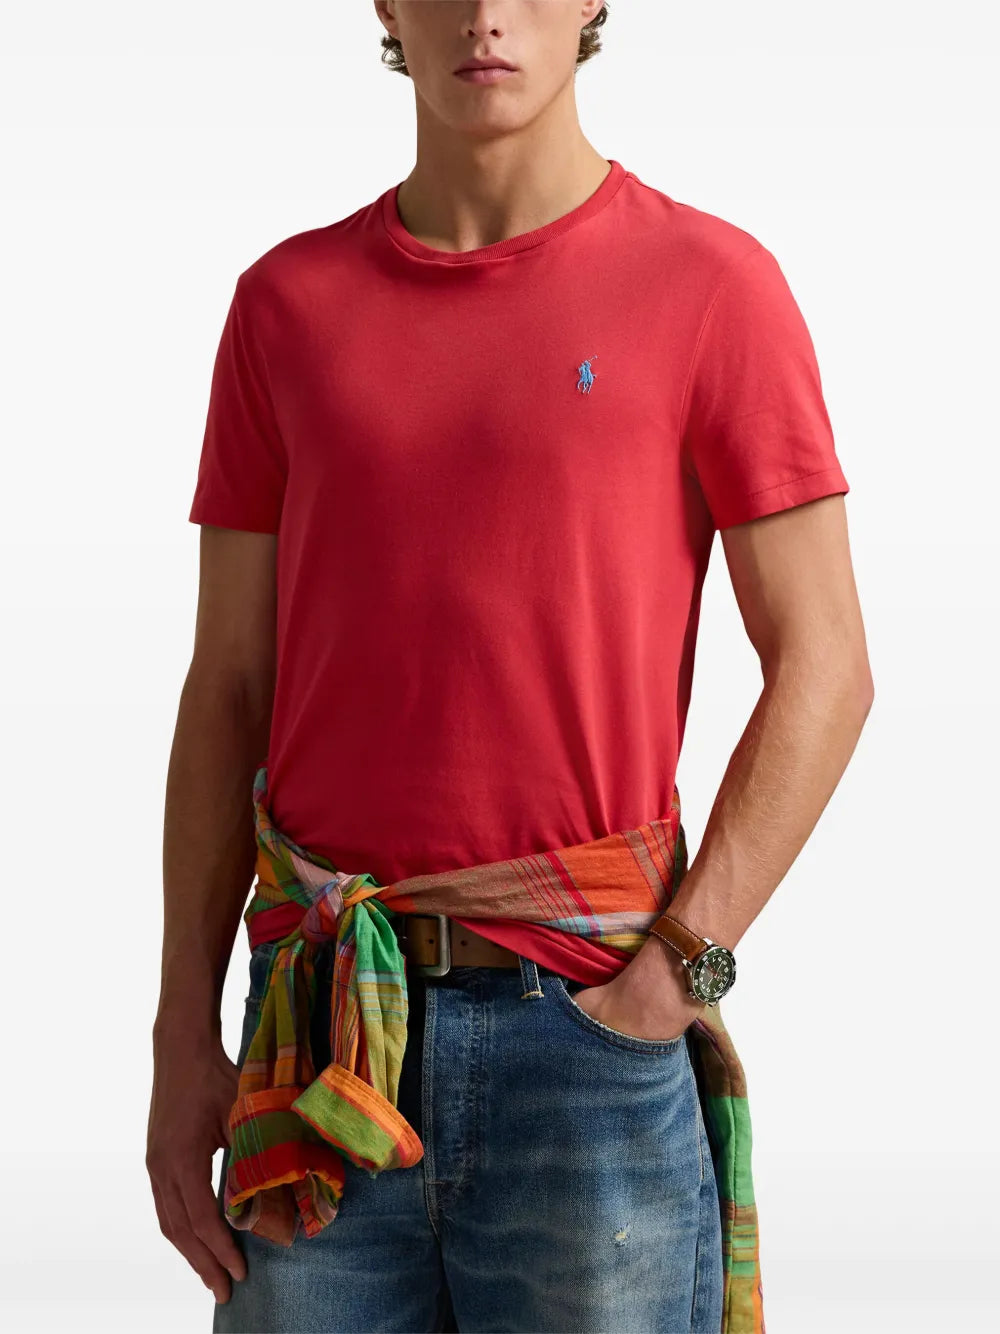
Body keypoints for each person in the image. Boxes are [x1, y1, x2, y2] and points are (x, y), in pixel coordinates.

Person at [147, 3, 873, 1332]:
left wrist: (678, 976)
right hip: (317, 1040)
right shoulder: (284, 307)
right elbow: (227, 687)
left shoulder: (713, 287)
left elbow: (827, 663)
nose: (486, 13)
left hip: (589, 1032)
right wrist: (177, 1029)